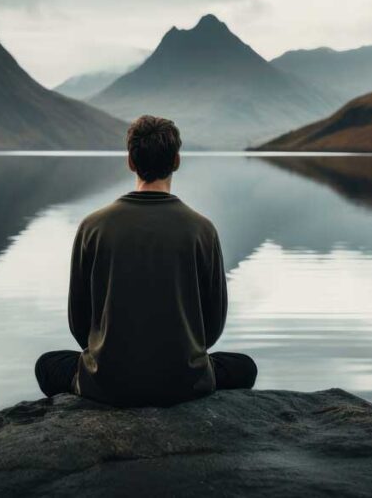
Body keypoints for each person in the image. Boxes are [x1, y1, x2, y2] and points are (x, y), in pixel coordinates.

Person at [34, 115, 257, 406]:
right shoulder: (202, 229)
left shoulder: (93, 226)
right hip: (185, 384)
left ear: (130, 161)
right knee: (244, 367)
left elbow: (79, 323)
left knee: (47, 365)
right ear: (176, 160)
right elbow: (212, 327)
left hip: (106, 384)